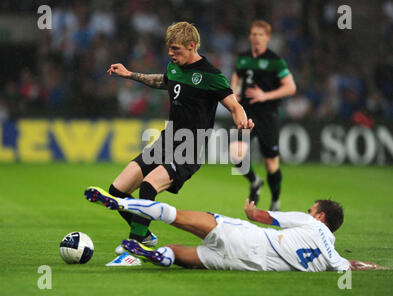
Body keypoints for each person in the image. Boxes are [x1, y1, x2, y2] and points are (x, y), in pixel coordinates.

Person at [102, 22, 254, 254]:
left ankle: (135, 247)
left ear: (191, 46)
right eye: (169, 49)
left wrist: (242, 122)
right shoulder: (174, 67)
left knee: (148, 186)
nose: (171, 54)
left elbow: (234, 105)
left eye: (176, 49)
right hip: (166, 141)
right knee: (117, 191)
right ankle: (146, 234)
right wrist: (129, 74)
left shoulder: (211, 75)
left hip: (189, 149)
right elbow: (163, 81)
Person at [84, 186, 387, 272]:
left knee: (175, 215)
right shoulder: (331, 258)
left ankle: (119, 203)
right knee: (178, 254)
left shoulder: (310, 222)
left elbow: (268, 218)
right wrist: (379, 267)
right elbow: (353, 265)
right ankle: (155, 255)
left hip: (247, 236)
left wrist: (253, 211)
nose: (308, 212)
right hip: (246, 265)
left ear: (320, 216)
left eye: (311, 209)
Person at [229, 20, 296, 210]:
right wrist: (234, 91)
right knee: (236, 155)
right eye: (253, 34)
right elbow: (237, 77)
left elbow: (290, 87)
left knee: (271, 164)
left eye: (260, 34)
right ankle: (255, 181)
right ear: (249, 36)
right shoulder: (242, 58)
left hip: (268, 116)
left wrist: (265, 95)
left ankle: (275, 200)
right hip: (247, 113)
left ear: (267, 37)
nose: (256, 38)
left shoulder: (275, 60)